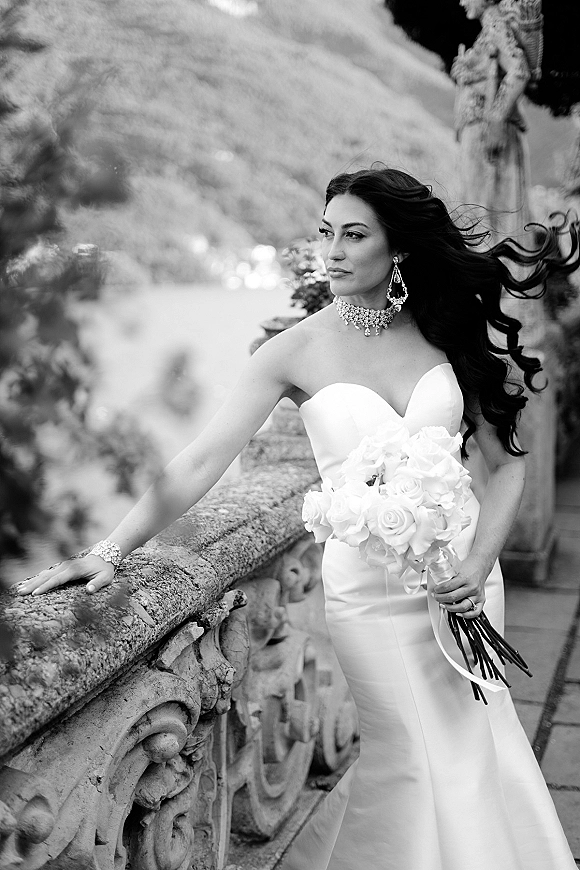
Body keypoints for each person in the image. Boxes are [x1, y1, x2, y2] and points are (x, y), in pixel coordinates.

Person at [17, 167, 579, 869]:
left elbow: (509, 466)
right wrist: (109, 548)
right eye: (326, 234)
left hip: (466, 578)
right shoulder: (293, 350)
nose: (333, 251)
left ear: (397, 248)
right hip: (370, 598)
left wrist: (475, 563)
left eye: (354, 235)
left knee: (472, 741)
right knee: (408, 749)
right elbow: (200, 460)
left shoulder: (448, 330)